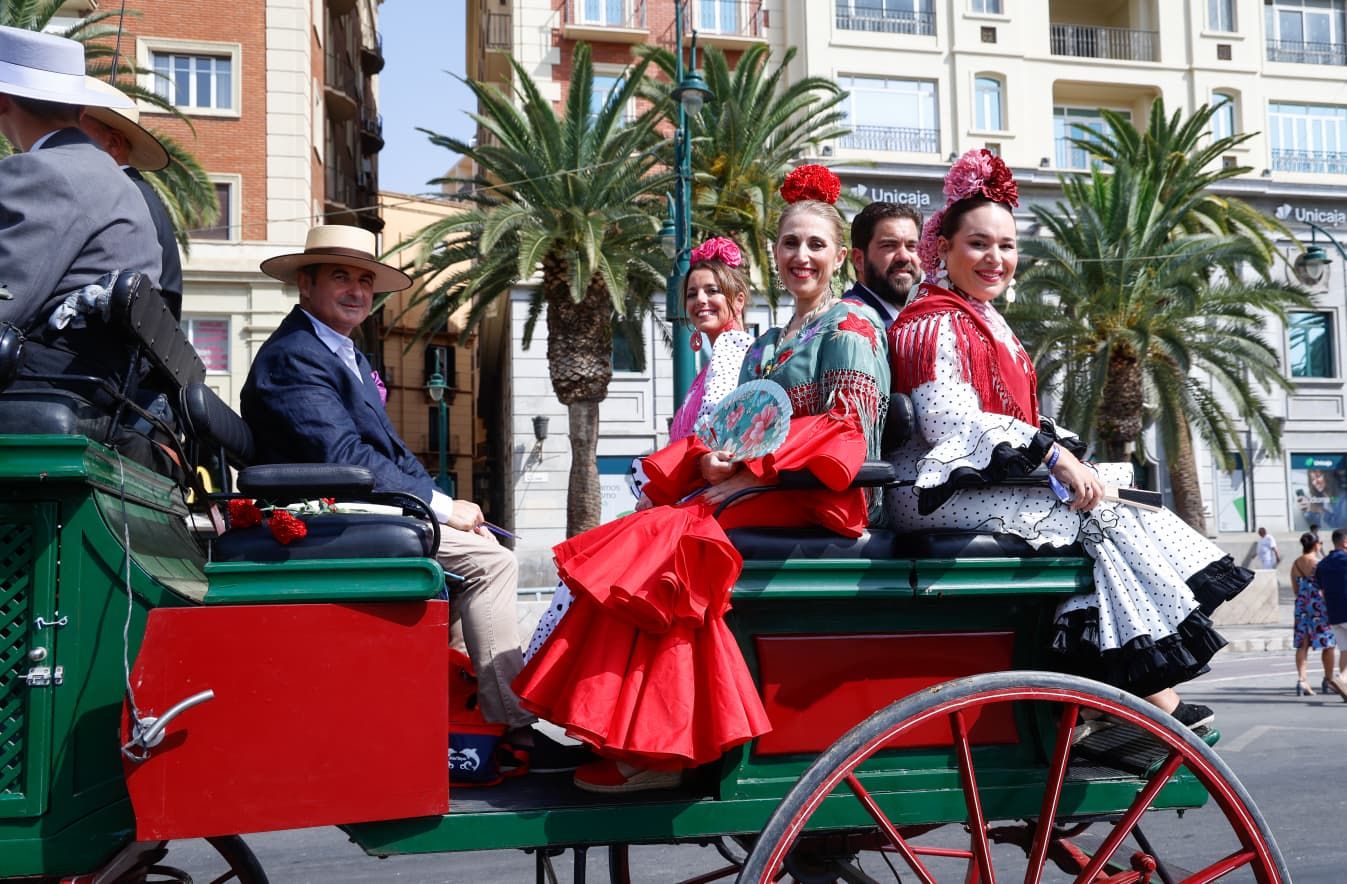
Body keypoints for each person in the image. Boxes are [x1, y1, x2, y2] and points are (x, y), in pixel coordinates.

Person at [514, 164, 890, 793]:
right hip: (764, 487)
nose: (802, 256)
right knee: (648, 528)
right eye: (791, 243)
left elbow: (849, 434)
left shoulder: (849, 329)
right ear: (774, 253)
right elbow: (738, 424)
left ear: (839, 259)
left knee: (672, 540)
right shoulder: (772, 339)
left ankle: (662, 748)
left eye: (816, 244)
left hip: (818, 496)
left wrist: (751, 478)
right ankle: (627, 725)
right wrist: (717, 458)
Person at [887, 149, 1253, 729]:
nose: (995, 258)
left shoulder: (981, 319)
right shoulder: (935, 322)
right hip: (930, 491)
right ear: (944, 248)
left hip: (973, 480)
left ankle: (1119, 688)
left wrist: (1061, 455)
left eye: (1007, 246)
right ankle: (1135, 693)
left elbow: (1010, 420)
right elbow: (952, 426)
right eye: (979, 244)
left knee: (1118, 497)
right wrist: (1053, 458)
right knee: (1096, 519)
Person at [241, 225, 578, 770]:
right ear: (306, 283)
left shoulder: (336, 351)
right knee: (492, 563)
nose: (356, 291)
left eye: (365, 281)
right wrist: (441, 508)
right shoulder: (295, 357)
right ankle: (512, 723)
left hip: (356, 506)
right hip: (325, 516)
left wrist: (445, 507)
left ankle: (457, 712)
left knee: (473, 553)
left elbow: (389, 457)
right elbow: (343, 456)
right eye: (340, 277)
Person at [526, 235, 755, 659]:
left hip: (701, 506)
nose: (700, 300)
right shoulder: (720, 359)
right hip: (691, 500)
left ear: (738, 299)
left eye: (712, 290)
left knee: (595, 571)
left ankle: (546, 665)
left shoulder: (729, 353)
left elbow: (709, 440)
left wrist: (661, 490)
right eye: (692, 293)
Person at [0, 26, 161, 384]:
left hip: (42, 384)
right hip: (100, 390)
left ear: (1, 100)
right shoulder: (122, 182)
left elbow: (7, 306)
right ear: (82, 107)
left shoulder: (38, 171)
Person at [78, 77, 184, 318]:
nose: (64, 145)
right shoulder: (134, 193)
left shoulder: (123, 198)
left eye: (75, 134)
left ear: (113, 143)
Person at [843, 201, 923, 328]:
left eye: (911, 246)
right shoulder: (849, 323)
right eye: (889, 246)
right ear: (859, 259)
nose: (904, 257)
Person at [1291, 532, 1337, 697]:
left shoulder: (1295, 564)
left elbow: (1296, 590)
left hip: (1302, 606)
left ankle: (1302, 680)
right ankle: (1328, 679)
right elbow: (1326, 587)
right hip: (1319, 606)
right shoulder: (1319, 564)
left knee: (1302, 644)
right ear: (1316, 544)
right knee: (1328, 643)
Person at [1314, 529, 1347, 700]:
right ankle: (1342, 679)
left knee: (1345, 651)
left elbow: (1320, 588)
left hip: (1333, 613)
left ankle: (1345, 690)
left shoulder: (1323, 564)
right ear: (1345, 543)